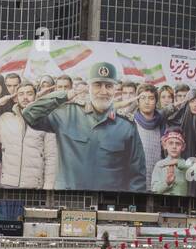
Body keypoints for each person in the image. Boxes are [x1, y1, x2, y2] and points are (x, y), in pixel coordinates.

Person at [21, 61, 146, 194]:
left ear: (115, 90)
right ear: (89, 87)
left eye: (109, 86)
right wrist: (67, 95)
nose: (103, 91)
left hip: (108, 204)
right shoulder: (67, 114)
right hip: (68, 200)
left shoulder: (126, 126)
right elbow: (30, 115)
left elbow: (137, 177)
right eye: (97, 85)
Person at [0, 81, 56, 191]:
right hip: (8, 184)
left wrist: (48, 186)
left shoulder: (46, 120)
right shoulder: (6, 119)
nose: (25, 97)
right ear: (16, 98)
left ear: (36, 96)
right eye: (21, 94)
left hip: (34, 185)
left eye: (29, 93)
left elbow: (51, 157)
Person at [131, 83, 165, 188]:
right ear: (138, 101)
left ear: (156, 101)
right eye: (143, 98)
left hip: (157, 179)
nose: (147, 102)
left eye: (151, 98)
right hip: (135, 179)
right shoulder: (130, 122)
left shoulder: (162, 123)